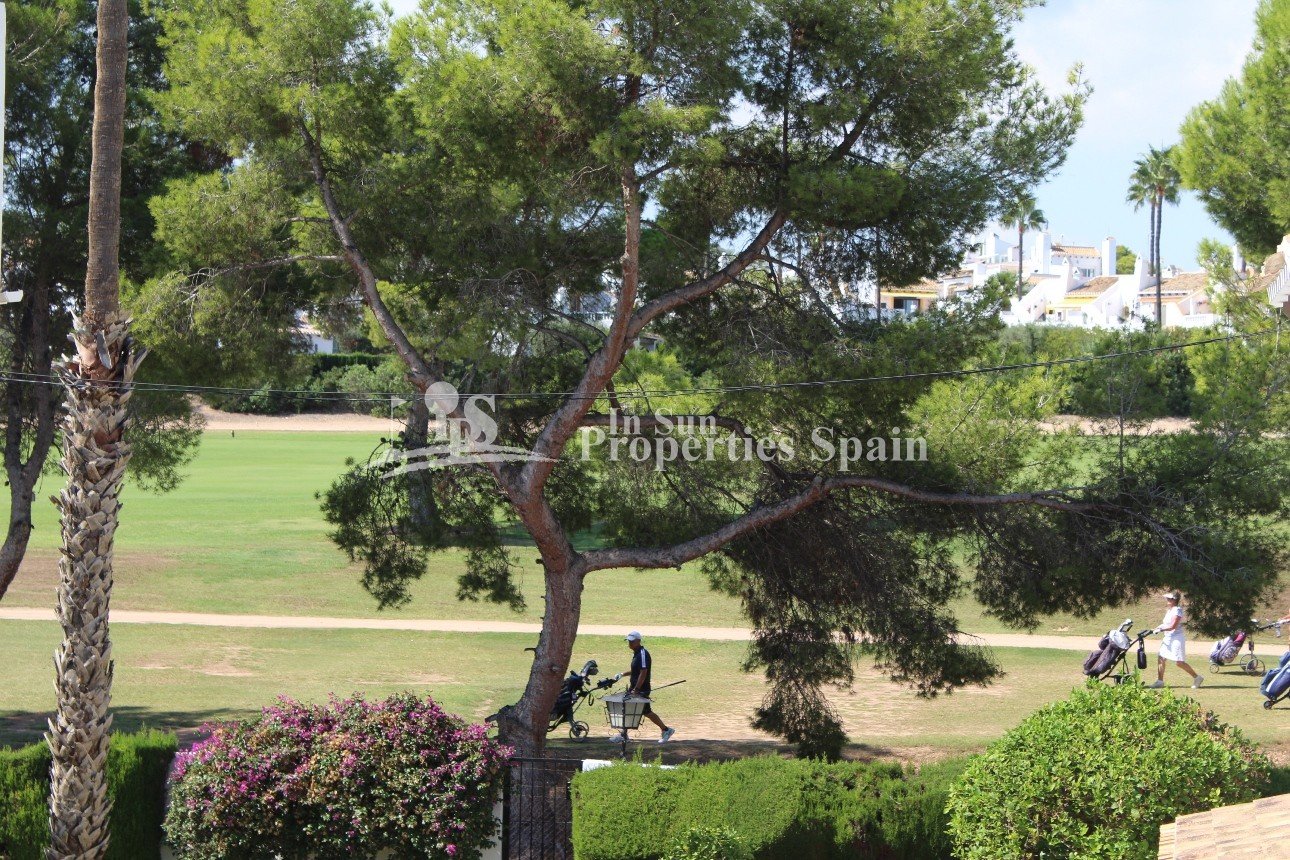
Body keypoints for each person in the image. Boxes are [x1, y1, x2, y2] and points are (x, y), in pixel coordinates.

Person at [611, 631, 675, 744]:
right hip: (635, 688)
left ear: (638, 641)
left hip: (641, 689)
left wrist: (637, 689)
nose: (630, 643)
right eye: (629, 641)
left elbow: (644, 672)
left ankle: (666, 730)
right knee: (630, 709)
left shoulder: (643, 654)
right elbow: (636, 670)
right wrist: (622, 674)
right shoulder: (636, 653)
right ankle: (624, 734)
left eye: (632, 641)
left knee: (645, 712)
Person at [1148, 591, 1203, 689]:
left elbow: (1173, 626)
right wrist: (1155, 629)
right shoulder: (1170, 610)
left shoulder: (1177, 610)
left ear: (1174, 600)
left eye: (1169, 599)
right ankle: (1160, 681)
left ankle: (1197, 677)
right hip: (1168, 637)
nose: (1167, 600)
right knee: (1161, 657)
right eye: (1167, 599)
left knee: (1179, 662)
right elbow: (1165, 624)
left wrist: (1160, 629)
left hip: (1176, 638)